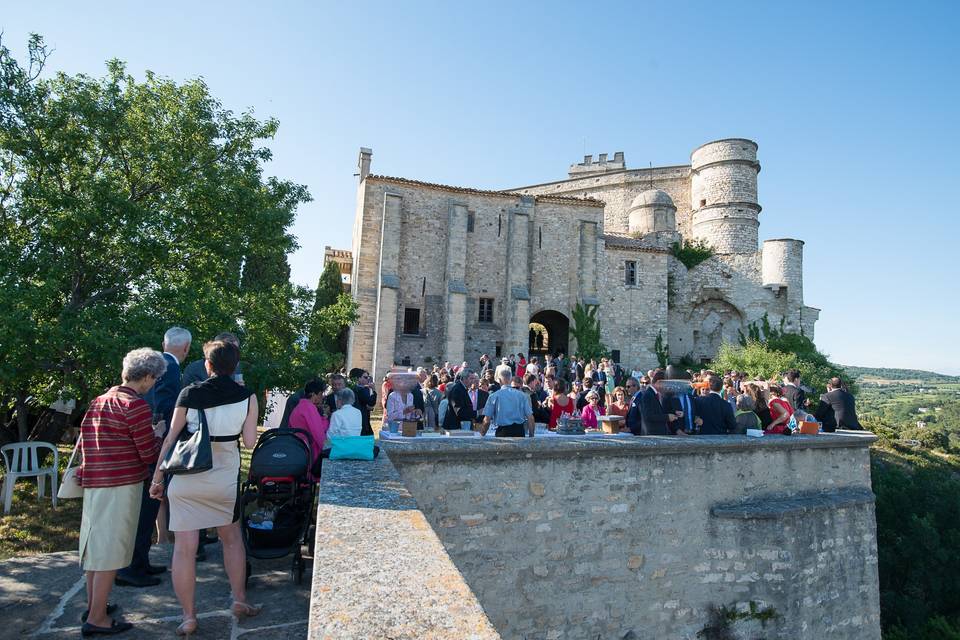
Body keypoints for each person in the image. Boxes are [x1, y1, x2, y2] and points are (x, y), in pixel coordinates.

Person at [149, 340, 260, 636]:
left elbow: (171, 438)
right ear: (234, 366)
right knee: (232, 540)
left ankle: (188, 616)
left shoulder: (189, 393)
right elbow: (249, 442)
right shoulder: (247, 395)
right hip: (223, 477)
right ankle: (239, 599)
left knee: (185, 549)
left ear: (207, 365)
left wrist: (158, 478)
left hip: (188, 474)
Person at [77, 348, 166, 636]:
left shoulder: (99, 401)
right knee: (110, 554)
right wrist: (158, 434)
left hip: (94, 483)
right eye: (155, 379)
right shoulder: (136, 406)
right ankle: (97, 618)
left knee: (95, 551)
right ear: (149, 376)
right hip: (120, 484)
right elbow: (147, 452)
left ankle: (95, 605)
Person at [119, 327, 191, 588]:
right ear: (186, 348)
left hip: (142, 440)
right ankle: (132, 565)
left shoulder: (158, 363)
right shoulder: (169, 367)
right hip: (154, 441)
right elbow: (163, 404)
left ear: (164, 342)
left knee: (147, 508)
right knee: (147, 505)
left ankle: (140, 561)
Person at [287, 379, 330, 479]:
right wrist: (328, 450)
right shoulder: (309, 408)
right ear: (315, 394)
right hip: (309, 453)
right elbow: (319, 434)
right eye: (321, 394)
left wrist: (324, 417)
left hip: (298, 450)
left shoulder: (300, 406)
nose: (322, 397)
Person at [480, 370, 534, 437]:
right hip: (519, 431)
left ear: (499, 380)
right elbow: (530, 417)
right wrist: (531, 436)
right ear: (511, 380)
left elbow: (487, 420)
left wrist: (482, 435)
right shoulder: (522, 395)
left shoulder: (494, 396)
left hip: (503, 431)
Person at [628, 369, 676, 436]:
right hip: (652, 435)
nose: (666, 387)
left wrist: (674, 413)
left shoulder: (656, 394)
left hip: (659, 435)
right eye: (665, 384)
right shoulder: (647, 395)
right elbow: (648, 416)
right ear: (659, 382)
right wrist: (667, 417)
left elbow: (658, 412)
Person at [348, 368, 378, 436]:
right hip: (361, 418)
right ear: (358, 378)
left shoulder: (350, 388)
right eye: (365, 377)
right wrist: (374, 390)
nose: (367, 379)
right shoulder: (361, 389)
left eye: (368, 377)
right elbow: (371, 402)